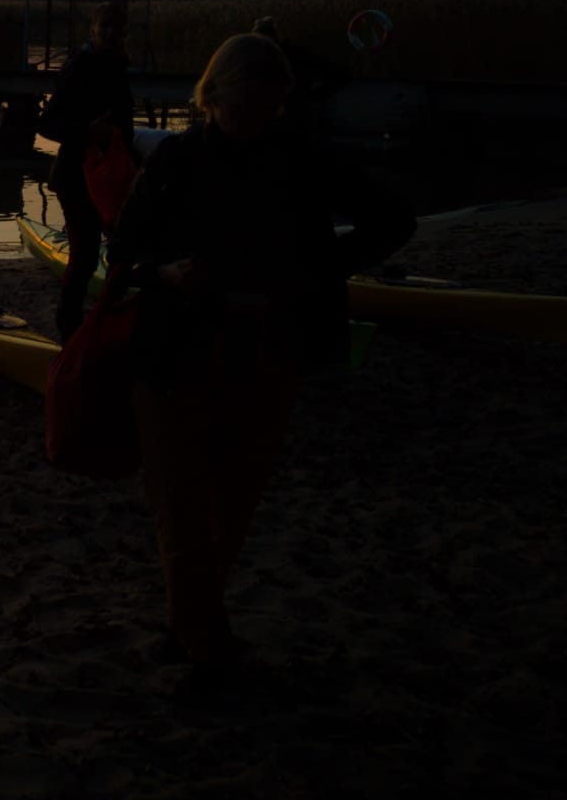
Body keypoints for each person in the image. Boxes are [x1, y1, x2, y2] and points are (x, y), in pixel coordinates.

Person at [108, 34, 413, 694]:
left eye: (270, 109)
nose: (256, 122)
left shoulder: (303, 163)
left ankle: (188, 624)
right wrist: (167, 272)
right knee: (182, 507)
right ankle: (210, 646)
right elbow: (123, 254)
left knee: (232, 504)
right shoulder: (176, 161)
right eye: (245, 108)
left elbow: (392, 219)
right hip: (173, 352)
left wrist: (319, 270)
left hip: (268, 349)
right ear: (213, 97)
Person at [36, 0, 134, 340]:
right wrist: (89, 132)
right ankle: (69, 329)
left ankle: (108, 322)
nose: (110, 32)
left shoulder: (120, 65)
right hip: (77, 176)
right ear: (93, 30)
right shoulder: (80, 66)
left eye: (116, 27)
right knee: (86, 254)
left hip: (112, 176)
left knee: (122, 251)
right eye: (104, 26)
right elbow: (47, 124)